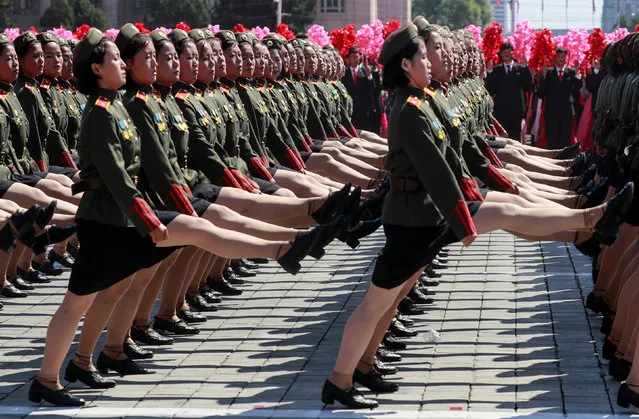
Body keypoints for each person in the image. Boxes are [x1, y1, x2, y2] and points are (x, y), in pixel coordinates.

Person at [322, 23, 634, 410]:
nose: (430, 63)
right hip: (414, 219)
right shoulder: (409, 109)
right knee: (376, 302)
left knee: (497, 216)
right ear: (405, 66)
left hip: (430, 213)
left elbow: (453, 155)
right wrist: (463, 217)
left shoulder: (424, 101)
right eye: (423, 57)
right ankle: (339, 379)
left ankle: (589, 222)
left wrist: (472, 194)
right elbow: (435, 170)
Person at [27, 28, 327, 407]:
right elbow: (119, 179)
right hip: (109, 223)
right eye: (116, 60)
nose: (122, 64)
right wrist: (149, 219)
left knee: (179, 242)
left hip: (125, 218)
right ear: (97, 70)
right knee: (77, 303)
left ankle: (284, 247)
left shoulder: (115, 105)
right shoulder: (101, 114)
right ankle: (47, 379)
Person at [485, 42, 533, 142]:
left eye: (508, 51)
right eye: (504, 52)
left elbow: (529, 87)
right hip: (501, 110)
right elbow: (490, 89)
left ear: (513, 53)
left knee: (515, 136)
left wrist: (526, 69)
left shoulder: (521, 69)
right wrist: (488, 72)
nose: (506, 54)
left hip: (516, 109)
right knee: (502, 137)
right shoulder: (496, 70)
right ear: (500, 54)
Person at [538, 47, 583, 149]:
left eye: (564, 57)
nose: (562, 59)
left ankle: (564, 159)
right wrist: (544, 77)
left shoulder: (571, 72)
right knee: (552, 138)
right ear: (554, 58)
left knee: (565, 138)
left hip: (566, 111)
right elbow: (541, 93)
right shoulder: (548, 72)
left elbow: (578, 87)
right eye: (559, 57)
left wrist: (577, 75)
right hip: (551, 111)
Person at [340, 46, 380, 133]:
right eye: (352, 57)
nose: (355, 59)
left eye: (357, 56)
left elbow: (372, 88)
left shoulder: (365, 71)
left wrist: (369, 76)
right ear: (348, 59)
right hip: (351, 110)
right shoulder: (344, 73)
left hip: (364, 110)